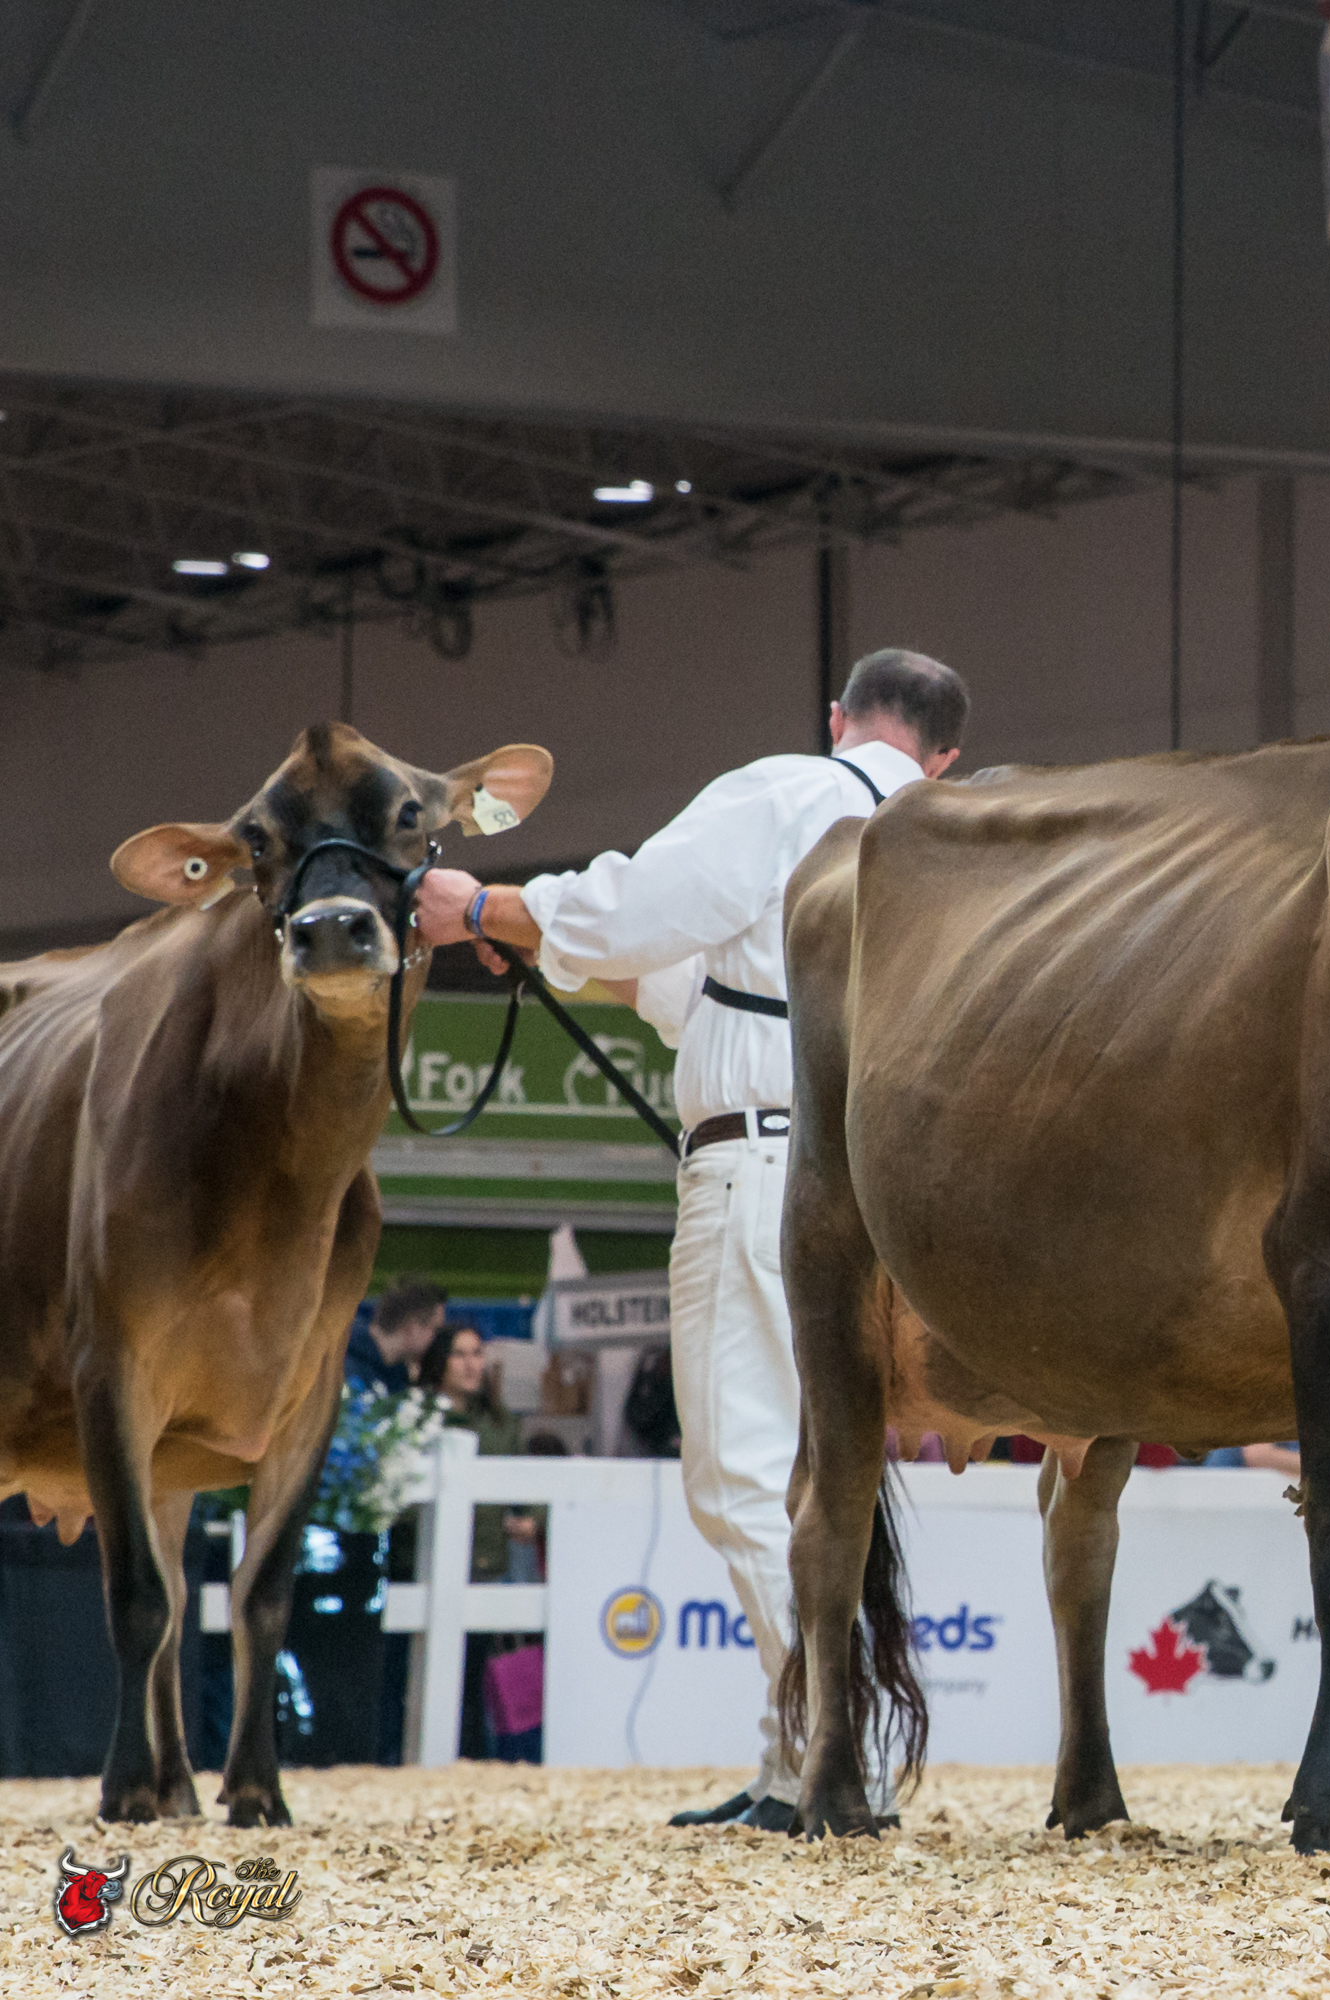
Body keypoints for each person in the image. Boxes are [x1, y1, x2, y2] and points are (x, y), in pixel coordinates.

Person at [412, 647, 970, 1833]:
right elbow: (693, 984)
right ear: (945, 756)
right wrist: (544, 941)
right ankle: (796, 1755)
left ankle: (837, 1752)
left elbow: (636, 906)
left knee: (742, 1474)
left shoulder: (792, 791)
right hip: (884, 1187)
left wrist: (487, 908)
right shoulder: (948, 841)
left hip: (762, 1166)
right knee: (822, 1473)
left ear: (836, 717)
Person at [414, 1320, 537, 1583]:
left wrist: (533, 1519)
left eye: (477, 1354)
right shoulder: (414, 1419)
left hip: (487, 1565)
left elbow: (527, 1485)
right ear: (439, 1361)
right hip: (422, 1562)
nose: (471, 1365)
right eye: (459, 1355)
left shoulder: (500, 1423)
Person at [347, 1277, 446, 1398]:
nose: (435, 1339)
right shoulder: (348, 1372)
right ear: (413, 1327)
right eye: (435, 1329)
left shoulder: (394, 1373)